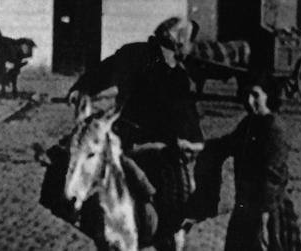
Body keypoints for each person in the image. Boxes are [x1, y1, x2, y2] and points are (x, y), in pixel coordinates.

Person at [65, 15, 204, 249]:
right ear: (178, 44)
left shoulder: (174, 72)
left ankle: (162, 233)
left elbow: (185, 114)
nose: (190, 48)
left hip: (147, 142)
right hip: (143, 144)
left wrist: (82, 87)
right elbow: (105, 70)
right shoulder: (139, 57)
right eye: (188, 42)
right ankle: (165, 233)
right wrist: (82, 87)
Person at [205, 75, 301, 251]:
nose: (249, 101)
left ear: (269, 96)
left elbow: (272, 176)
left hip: (267, 210)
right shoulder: (249, 123)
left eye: (255, 95)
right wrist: (195, 146)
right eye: (247, 95)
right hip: (245, 207)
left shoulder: (274, 128)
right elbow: (227, 144)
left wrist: (264, 218)